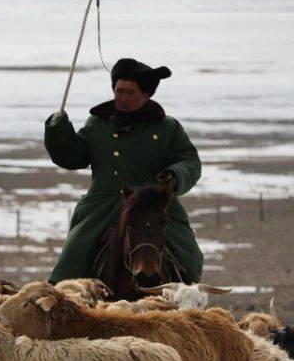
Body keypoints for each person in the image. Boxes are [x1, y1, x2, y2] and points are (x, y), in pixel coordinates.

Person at [44, 57, 203, 283]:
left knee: (190, 256)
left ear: (146, 94)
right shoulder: (98, 124)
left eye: (130, 93)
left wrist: (175, 175)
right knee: (72, 259)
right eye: (119, 91)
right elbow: (74, 157)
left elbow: (189, 160)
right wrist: (58, 130)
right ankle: (64, 302)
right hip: (103, 205)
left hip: (151, 206)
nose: (123, 98)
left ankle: (186, 297)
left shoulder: (167, 128)